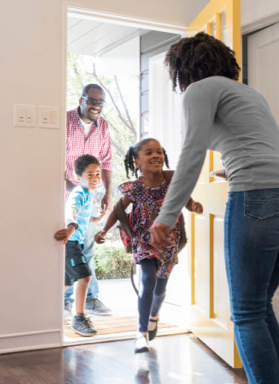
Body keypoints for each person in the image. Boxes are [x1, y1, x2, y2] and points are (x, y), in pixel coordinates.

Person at [150, 33, 279, 384]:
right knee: (259, 303)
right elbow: (252, 144)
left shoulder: (199, 90)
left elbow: (191, 153)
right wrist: (227, 169)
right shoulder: (249, 94)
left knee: (245, 312)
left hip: (261, 195)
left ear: (183, 69)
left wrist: (165, 216)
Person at [94, 138, 203, 352]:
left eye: (159, 151)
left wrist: (194, 206)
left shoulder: (173, 181)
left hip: (169, 241)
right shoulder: (135, 187)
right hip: (143, 239)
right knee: (148, 279)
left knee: (161, 287)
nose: (156, 155)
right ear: (136, 162)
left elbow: (187, 200)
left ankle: (154, 315)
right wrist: (104, 230)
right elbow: (118, 210)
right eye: (148, 152)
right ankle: (141, 333)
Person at [64, 84, 114, 317]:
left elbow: (106, 162)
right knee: (67, 247)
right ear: (81, 100)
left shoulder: (102, 127)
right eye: (92, 100)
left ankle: (92, 299)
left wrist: (108, 193)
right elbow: (52, 158)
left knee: (88, 248)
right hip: (65, 197)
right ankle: (64, 300)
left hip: (90, 197)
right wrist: (75, 189)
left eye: (101, 102)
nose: (96, 106)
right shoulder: (64, 122)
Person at [54, 154, 110, 336]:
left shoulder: (88, 194)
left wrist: (99, 218)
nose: (95, 179)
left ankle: (46, 311)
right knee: (85, 277)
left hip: (75, 242)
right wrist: (70, 227)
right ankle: (78, 318)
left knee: (66, 281)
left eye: (97, 174)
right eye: (90, 175)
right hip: (71, 242)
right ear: (78, 178)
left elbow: (84, 217)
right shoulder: (78, 193)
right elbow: (71, 211)